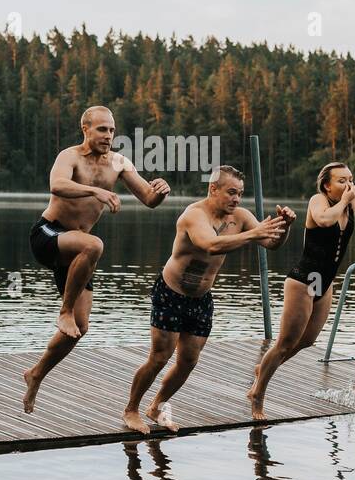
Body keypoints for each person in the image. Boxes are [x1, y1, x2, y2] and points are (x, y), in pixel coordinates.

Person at [248, 115, 355, 421]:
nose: (349, 184)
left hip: (326, 281)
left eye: (350, 179)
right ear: (326, 185)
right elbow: (323, 221)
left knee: (307, 341)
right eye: (341, 180)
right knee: (284, 344)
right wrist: (345, 200)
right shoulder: (318, 202)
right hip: (304, 280)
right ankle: (257, 395)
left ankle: (263, 367)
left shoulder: (350, 201)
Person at [123, 165, 293, 433]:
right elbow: (209, 245)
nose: (236, 199)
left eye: (240, 194)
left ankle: (156, 406)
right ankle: (131, 410)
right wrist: (254, 234)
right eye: (231, 192)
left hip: (200, 299)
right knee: (159, 357)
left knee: (188, 361)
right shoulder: (194, 215)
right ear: (213, 189)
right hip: (171, 294)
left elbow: (271, 243)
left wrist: (285, 227)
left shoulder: (241, 217)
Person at [23, 106, 171, 413]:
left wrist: (160, 192)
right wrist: (95, 191)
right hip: (49, 234)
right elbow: (57, 185)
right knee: (94, 245)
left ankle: (36, 374)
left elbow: (148, 198)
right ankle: (63, 311)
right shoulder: (69, 156)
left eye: (112, 130)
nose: (108, 136)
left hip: (78, 251)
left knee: (81, 327)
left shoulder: (118, 162)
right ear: (86, 129)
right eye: (102, 129)